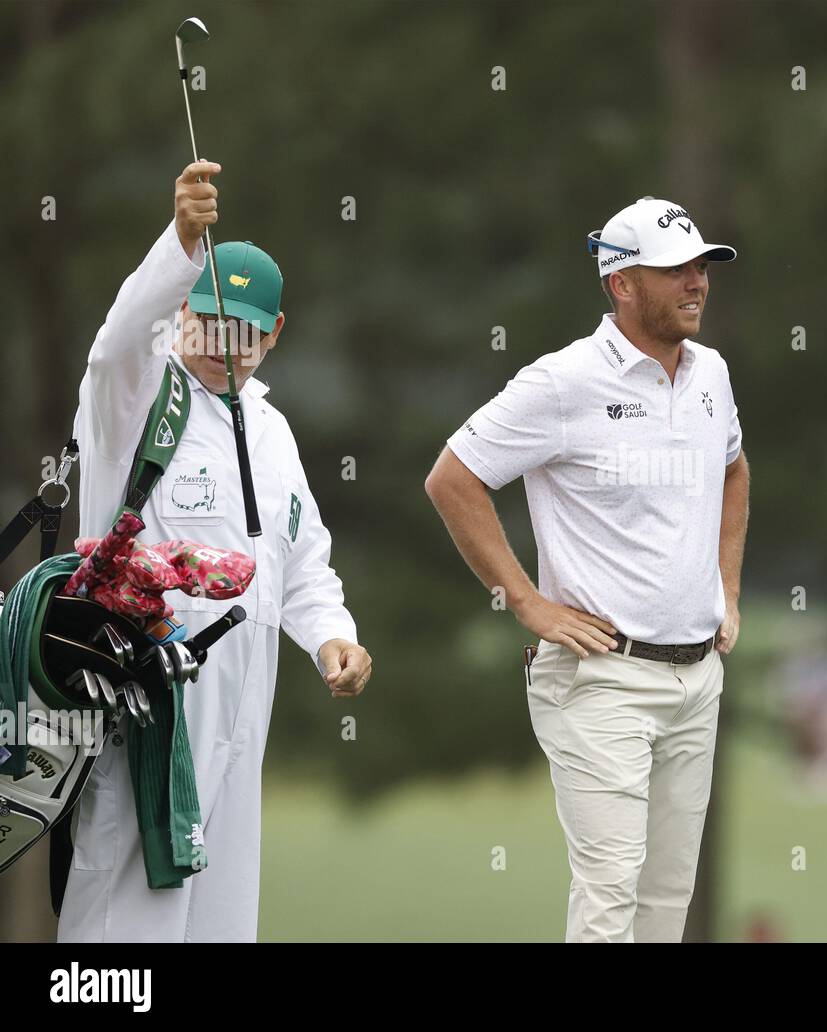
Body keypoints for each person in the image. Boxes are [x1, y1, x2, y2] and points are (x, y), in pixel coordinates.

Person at [58, 161, 372, 943]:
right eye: (203, 319)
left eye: (239, 329)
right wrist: (182, 242)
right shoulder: (135, 398)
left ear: (273, 332)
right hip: (146, 681)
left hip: (245, 689)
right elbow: (113, 347)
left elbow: (300, 562)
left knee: (223, 910)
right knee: (127, 902)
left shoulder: (271, 428)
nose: (217, 342)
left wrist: (334, 636)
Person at [425, 198, 749, 942]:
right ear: (622, 283)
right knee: (610, 897)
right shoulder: (563, 381)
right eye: (676, 269)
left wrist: (725, 589)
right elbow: (453, 478)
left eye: (703, 265)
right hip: (599, 679)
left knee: (666, 903)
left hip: (696, 677)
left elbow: (733, 471)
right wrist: (529, 605)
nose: (697, 281)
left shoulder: (712, 374)